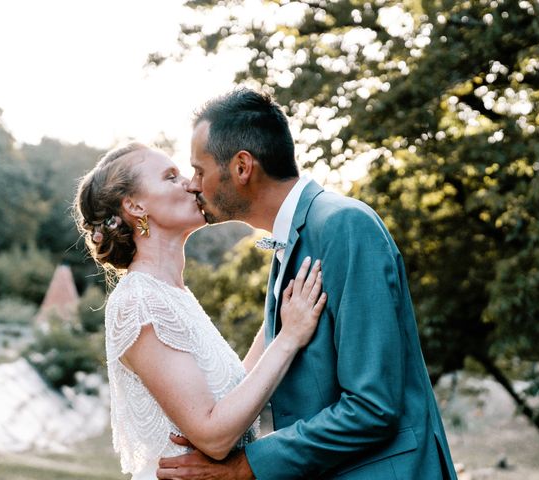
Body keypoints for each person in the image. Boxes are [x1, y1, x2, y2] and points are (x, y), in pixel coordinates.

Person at [156, 89, 457, 479]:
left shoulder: (344, 225)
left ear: (242, 167)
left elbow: (373, 406)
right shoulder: (291, 241)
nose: (193, 184)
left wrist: (248, 466)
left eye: (199, 170)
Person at [74, 143, 328, 480]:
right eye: (170, 177)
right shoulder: (139, 299)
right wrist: (290, 338)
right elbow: (213, 436)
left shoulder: (173, 293)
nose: (191, 184)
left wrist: (281, 316)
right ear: (135, 206)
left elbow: (235, 390)